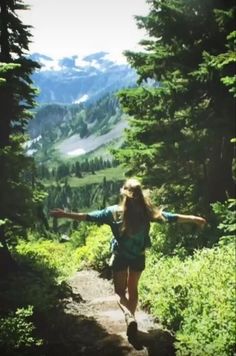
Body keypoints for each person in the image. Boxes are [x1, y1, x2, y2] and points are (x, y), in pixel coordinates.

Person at [50, 178, 206, 347]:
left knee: (119, 292)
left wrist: (65, 214)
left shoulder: (113, 212)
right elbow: (171, 218)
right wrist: (193, 218)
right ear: (140, 195)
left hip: (121, 257)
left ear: (124, 193)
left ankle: (129, 318)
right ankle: (132, 322)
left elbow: (88, 217)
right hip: (138, 256)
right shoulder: (147, 212)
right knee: (133, 289)